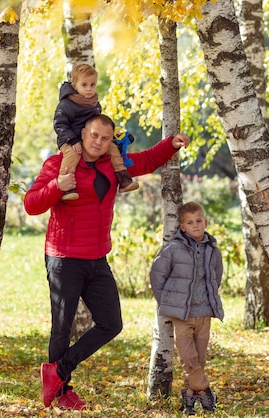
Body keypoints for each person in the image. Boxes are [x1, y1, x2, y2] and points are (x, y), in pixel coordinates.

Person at [24, 114, 190, 410]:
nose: (98, 142)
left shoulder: (114, 164)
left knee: (111, 323)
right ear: (83, 134)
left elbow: (148, 160)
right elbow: (32, 204)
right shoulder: (58, 163)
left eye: (105, 138)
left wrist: (171, 145)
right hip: (64, 257)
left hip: (97, 258)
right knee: (61, 327)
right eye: (93, 135)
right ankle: (62, 394)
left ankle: (58, 371)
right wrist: (58, 186)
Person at [150, 202, 224, 414]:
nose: (196, 225)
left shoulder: (212, 249)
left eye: (199, 221)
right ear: (182, 227)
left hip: (205, 313)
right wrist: (168, 301)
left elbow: (216, 276)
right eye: (190, 222)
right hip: (182, 315)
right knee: (188, 358)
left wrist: (209, 297)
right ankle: (205, 390)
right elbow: (157, 276)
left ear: (205, 222)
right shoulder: (173, 249)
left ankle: (189, 396)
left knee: (199, 359)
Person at [53, 63, 138, 200]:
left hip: (89, 138)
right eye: (84, 85)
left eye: (92, 85)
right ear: (74, 85)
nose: (89, 89)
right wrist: (72, 140)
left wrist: (114, 135)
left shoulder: (94, 104)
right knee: (73, 154)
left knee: (112, 148)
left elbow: (99, 123)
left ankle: (123, 178)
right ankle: (67, 186)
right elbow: (59, 124)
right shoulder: (67, 104)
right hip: (69, 139)